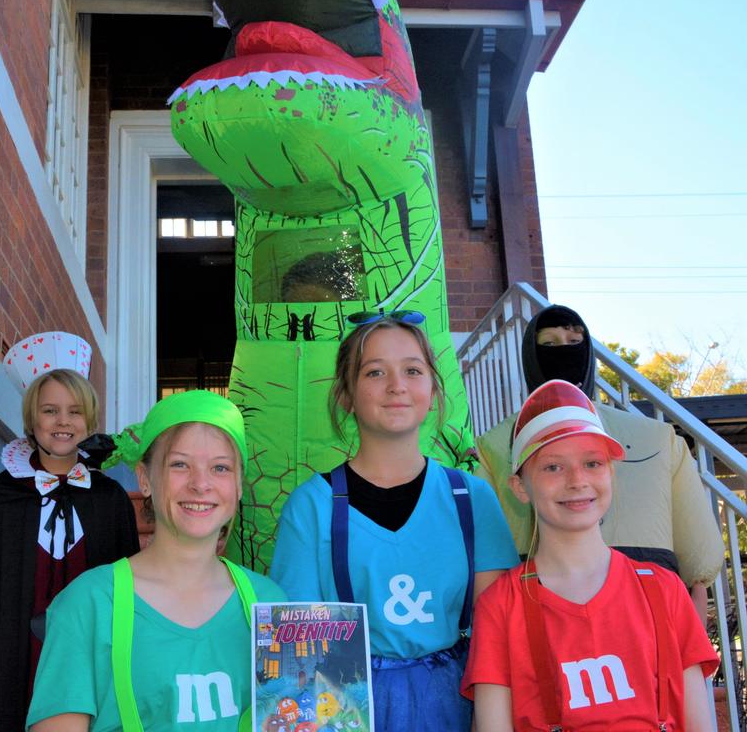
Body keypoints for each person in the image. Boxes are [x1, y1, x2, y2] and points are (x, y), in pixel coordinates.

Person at [270, 310, 519, 732]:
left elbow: (497, 640)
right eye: (374, 372)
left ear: (434, 391)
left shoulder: (472, 498)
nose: (396, 385)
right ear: (346, 395)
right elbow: (300, 661)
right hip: (348, 709)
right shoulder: (311, 507)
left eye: (412, 370)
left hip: (459, 702)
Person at [463, 379, 718, 731]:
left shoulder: (665, 590)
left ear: (612, 473)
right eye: (553, 466)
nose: (576, 480)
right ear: (520, 487)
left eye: (593, 463)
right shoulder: (501, 606)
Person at [27, 390, 285, 731]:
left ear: (238, 485)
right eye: (179, 464)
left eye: (220, 468)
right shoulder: (88, 604)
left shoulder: (271, 606)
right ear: (145, 479)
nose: (201, 484)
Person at [474, 304, 724, 620]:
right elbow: (485, 558)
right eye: (548, 344)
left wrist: (693, 650)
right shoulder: (494, 447)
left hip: (645, 612)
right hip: (546, 614)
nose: (562, 352)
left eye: (573, 341)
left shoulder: (659, 440)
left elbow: (699, 566)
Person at [0, 332, 139, 732]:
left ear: (90, 421)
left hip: (85, 654)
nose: (63, 422)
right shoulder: (1, 497)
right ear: (32, 419)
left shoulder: (109, 498)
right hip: (13, 653)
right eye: (50, 411)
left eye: (75, 412)